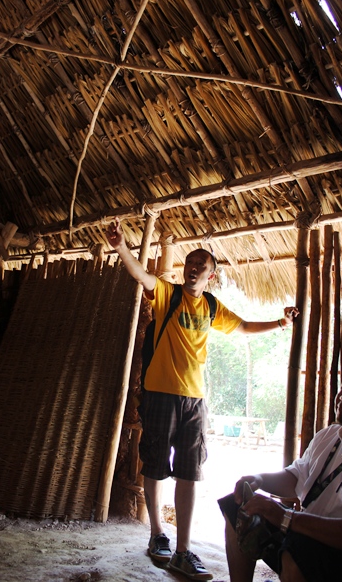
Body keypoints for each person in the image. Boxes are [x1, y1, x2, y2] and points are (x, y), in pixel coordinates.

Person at [106, 217, 298, 581]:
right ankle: (157, 535)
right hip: (160, 393)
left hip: (195, 400)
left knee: (190, 473)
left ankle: (182, 549)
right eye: (190, 264)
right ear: (185, 269)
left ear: (210, 276)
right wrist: (120, 247)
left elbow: (242, 327)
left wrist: (280, 324)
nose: (194, 269)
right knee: (155, 465)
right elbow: (140, 275)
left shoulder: (210, 306)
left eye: (201, 267)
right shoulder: (167, 293)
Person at [218, 363, 342, 582]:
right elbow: (295, 477)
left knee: (299, 549)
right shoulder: (328, 436)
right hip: (304, 532)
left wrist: (285, 518)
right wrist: (259, 480)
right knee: (239, 508)